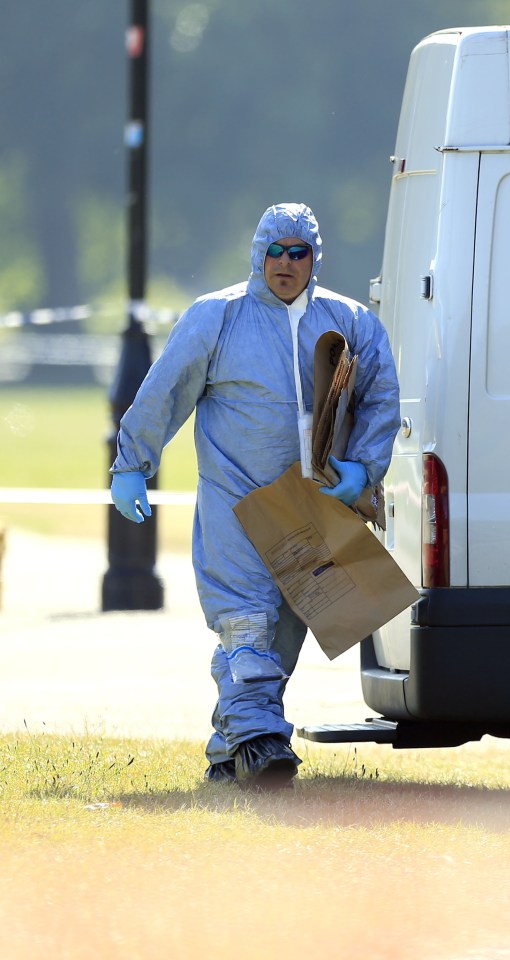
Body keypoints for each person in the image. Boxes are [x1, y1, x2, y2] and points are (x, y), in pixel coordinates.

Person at [110, 202, 401, 789]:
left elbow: (380, 399)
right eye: (275, 251)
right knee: (245, 626)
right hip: (235, 499)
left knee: (286, 636)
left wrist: (364, 471)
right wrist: (132, 463)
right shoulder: (217, 318)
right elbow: (165, 390)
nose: (285, 263)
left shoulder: (349, 321)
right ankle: (267, 746)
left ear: (315, 258)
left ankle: (230, 751)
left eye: (298, 252)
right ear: (257, 254)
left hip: (314, 506)